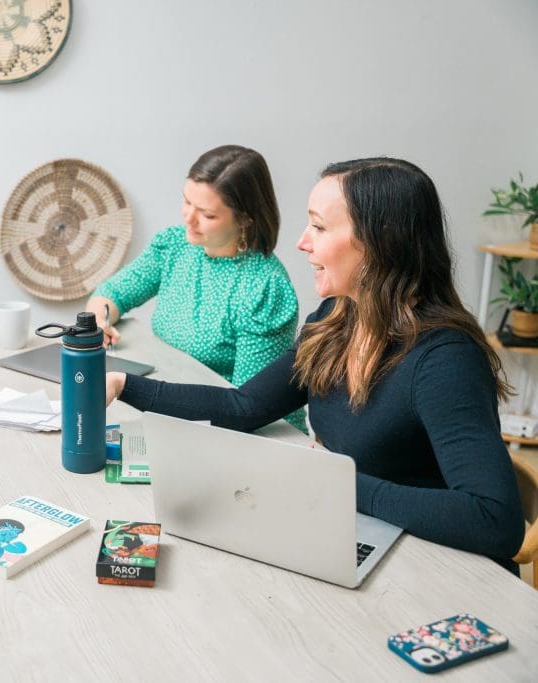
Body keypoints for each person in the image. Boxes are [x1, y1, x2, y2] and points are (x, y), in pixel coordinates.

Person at [105, 158, 525, 570]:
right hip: (355, 533)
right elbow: (245, 406)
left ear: (380, 242)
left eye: (319, 227)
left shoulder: (445, 360)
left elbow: (495, 520)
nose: (301, 242)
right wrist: (124, 385)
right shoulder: (334, 321)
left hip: (441, 568)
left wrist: (338, 482)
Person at [86, 145, 304, 430]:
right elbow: (113, 294)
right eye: (187, 201)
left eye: (207, 214)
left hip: (256, 432)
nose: (188, 218)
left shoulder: (264, 290)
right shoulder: (174, 246)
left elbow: (246, 410)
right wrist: (100, 321)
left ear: (246, 220)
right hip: (182, 409)